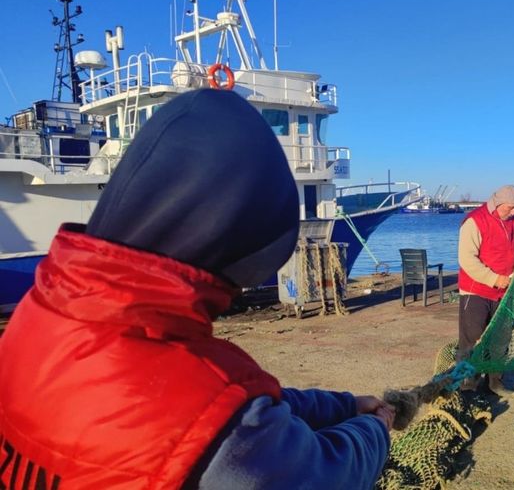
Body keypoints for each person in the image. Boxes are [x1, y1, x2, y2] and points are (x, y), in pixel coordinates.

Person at [0, 89, 394, 489]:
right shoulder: (207, 412)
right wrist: (374, 430)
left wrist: (342, 406)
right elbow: (318, 473)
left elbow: (234, 408)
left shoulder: (40, 314)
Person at [457, 185, 514, 397]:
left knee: (501, 339)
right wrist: (493, 279)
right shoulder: (474, 221)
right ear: (498, 204)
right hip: (476, 292)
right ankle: (467, 386)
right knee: (472, 340)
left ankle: (495, 383)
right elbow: (466, 260)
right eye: (510, 208)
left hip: (505, 293)